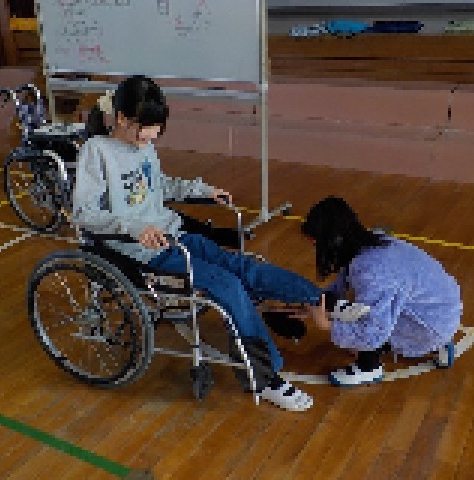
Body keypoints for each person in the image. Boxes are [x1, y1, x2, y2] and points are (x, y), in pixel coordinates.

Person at [72, 75, 323, 411]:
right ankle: (265, 378)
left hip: (174, 234)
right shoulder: (97, 151)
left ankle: (318, 298)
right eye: (146, 131)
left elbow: (160, 186)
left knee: (242, 265)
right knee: (228, 285)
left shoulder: (144, 146)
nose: (151, 138)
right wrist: (133, 228)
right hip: (140, 252)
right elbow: (84, 214)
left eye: (156, 131)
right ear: (122, 118)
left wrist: (202, 190)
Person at [298, 196, 462, 386]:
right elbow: (344, 282)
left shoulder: (373, 272)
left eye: (315, 243)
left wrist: (326, 325)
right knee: (356, 306)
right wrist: (315, 301)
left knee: (355, 312)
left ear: (332, 241)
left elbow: (374, 330)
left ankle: (369, 367)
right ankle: (439, 344)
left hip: (429, 327)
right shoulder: (372, 242)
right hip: (442, 312)